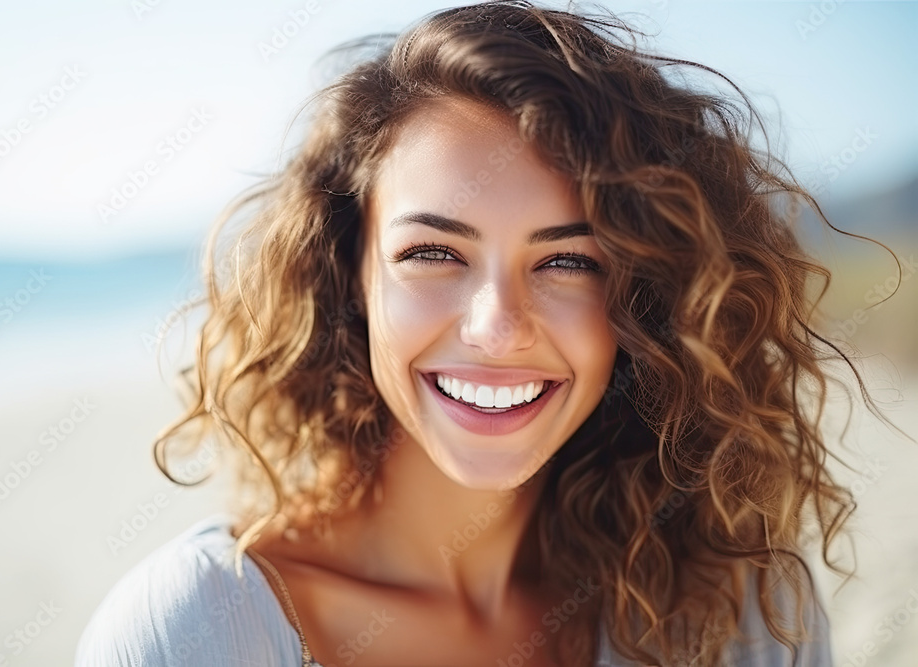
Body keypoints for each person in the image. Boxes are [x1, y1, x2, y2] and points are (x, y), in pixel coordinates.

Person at [75, 1, 903, 665]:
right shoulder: (191, 634)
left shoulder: (745, 616)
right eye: (433, 252)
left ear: (642, 299)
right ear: (348, 275)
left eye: (568, 262)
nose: (498, 327)